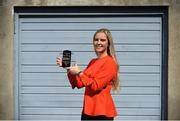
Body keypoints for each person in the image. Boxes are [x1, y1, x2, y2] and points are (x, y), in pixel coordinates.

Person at [56, 28, 120, 120]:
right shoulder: (93, 61)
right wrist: (69, 69)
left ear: (108, 43)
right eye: (96, 39)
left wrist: (79, 72)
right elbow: (79, 83)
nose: (98, 42)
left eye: (102, 40)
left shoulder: (110, 63)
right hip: (88, 110)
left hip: (102, 112)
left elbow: (96, 86)